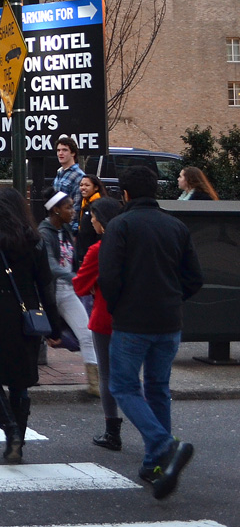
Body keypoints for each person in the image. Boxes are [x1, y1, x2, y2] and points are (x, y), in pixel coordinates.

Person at [99, 165, 203, 499]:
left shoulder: (120, 225)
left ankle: (163, 445)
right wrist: (172, 298)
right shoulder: (176, 226)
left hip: (132, 321)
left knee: (123, 386)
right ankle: (154, 464)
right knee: (158, 388)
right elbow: (194, 277)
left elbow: (108, 277)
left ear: (125, 194)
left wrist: (118, 305)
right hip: (169, 320)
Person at [0, 187, 63, 464]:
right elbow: (46, 286)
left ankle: (10, 430)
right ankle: (18, 437)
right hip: (27, 314)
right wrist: (54, 326)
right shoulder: (35, 241)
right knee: (20, 380)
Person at [72, 197, 126, 452]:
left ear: (102, 222)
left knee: (107, 374)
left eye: (93, 217)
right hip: (134, 318)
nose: (91, 221)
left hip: (105, 316)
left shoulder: (98, 249)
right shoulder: (132, 246)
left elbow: (80, 285)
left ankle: (112, 429)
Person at [38, 187, 99, 395]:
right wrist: (76, 278)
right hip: (48, 293)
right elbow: (51, 265)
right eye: (68, 207)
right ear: (56, 210)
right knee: (34, 334)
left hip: (66, 291)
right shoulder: (44, 233)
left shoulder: (65, 231)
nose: (73, 211)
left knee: (87, 334)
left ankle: (95, 383)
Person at [53, 136, 85, 233]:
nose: (60, 153)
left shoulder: (79, 175)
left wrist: (71, 232)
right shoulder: (59, 173)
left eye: (65, 150)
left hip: (68, 229)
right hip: (56, 226)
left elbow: (77, 206)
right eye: (58, 150)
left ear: (73, 153)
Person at [74, 174, 105, 268]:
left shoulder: (99, 205)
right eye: (81, 185)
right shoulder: (84, 203)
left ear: (96, 187)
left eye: (87, 185)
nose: (83, 188)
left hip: (94, 254)